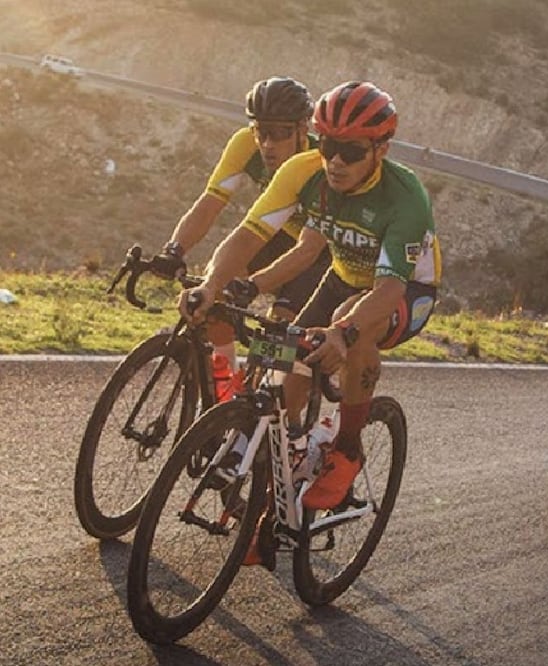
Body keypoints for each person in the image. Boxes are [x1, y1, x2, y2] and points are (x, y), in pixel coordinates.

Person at [180, 80, 442, 512]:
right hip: (340, 277)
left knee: (353, 329)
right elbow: (250, 236)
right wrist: (214, 286)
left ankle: (348, 451)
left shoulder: (405, 195)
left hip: (405, 290)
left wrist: (343, 332)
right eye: (330, 146)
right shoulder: (305, 172)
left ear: (381, 149)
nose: (336, 161)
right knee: (286, 373)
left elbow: (390, 286)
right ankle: (276, 491)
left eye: (352, 151)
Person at [152, 77, 330, 328]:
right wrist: (174, 250)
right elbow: (210, 203)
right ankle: (223, 365)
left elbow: (309, 250)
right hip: (279, 236)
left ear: (303, 129)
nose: (268, 144)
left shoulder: (321, 166)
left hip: (320, 251)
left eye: (280, 133)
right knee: (213, 295)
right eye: (261, 131)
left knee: (281, 325)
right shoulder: (245, 144)